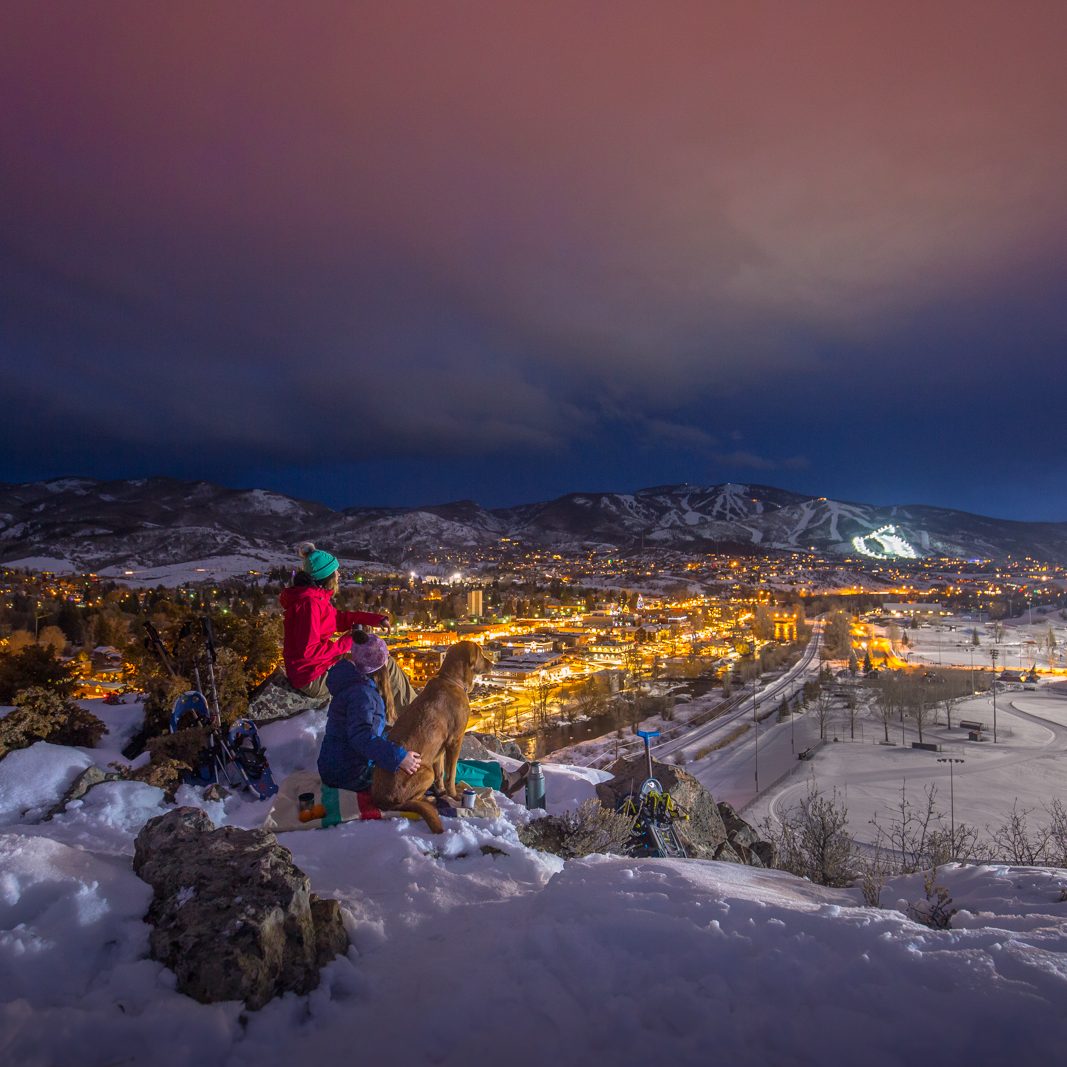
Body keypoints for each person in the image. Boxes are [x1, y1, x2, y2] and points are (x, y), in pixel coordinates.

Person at [318, 631, 530, 800]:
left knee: (436, 755)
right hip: (351, 772)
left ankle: (498, 774)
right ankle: (500, 780)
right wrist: (398, 756)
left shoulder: (354, 683)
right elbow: (361, 737)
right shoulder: (361, 694)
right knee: (438, 766)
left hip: (345, 763)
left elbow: (359, 730)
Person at [249, 541, 401, 721]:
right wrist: (347, 641)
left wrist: (373, 619)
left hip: (320, 667)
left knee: (380, 660)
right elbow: (309, 652)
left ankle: (405, 713)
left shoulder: (315, 597)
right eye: (335, 572)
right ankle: (403, 716)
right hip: (312, 677)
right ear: (326, 576)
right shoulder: (309, 604)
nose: (338, 575)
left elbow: (337, 619)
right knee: (380, 666)